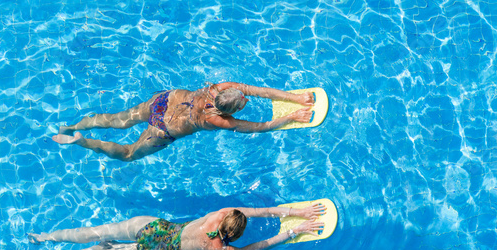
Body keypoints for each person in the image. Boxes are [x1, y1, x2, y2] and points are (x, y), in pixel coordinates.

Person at [52, 82, 316, 161]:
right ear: (228, 111)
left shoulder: (220, 88)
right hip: (163, 129)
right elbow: (259, 128)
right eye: (242, 103)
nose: (246, 99)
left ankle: (74, 127)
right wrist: (291, 115)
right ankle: (83, 142)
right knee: (129, 153)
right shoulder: (218, 122)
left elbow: (256, 90)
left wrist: (293, 96)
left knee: (118, 121)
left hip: (165, 101)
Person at [20, 203, 326, 250]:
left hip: (155, 227)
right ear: (234, 235)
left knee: (98, 233)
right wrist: (294, 230)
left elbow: (263, 210)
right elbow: (260, 245)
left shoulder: (220, 213)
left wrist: (287, 212)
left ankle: (46, 237)